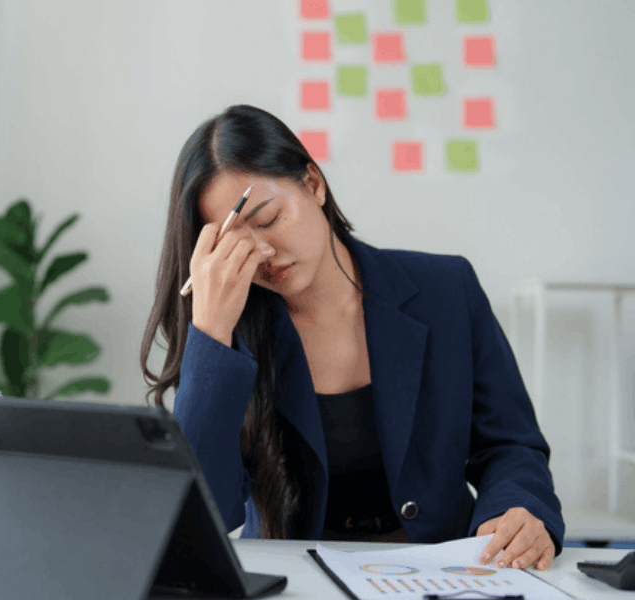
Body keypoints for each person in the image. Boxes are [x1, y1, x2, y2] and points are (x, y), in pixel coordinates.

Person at [140, 104, 564, 571]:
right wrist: (210, 335)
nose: (262, 253)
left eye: (268, 219)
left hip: (448, 571)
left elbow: (509, 443)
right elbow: (208, 513)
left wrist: (515, 509)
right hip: (300, 580)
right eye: (235, 244)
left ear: (313, 184)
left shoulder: (447, 288)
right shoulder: (228, 330)